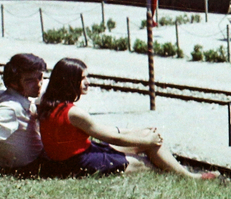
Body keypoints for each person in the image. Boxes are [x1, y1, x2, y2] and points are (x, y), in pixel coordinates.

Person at [36, 57, 212, 178]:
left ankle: (184, 172)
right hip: (81, 163)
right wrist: (149, 142)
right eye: (83, 79)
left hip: (75, 158)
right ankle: (188, 177)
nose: (88, 82)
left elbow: (106, 130)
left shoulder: (47, 103)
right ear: (69, 82)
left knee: (145, 136)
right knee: (146, 163)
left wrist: (140, 133)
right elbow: (113, 137)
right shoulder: (73, 113)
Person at [0, 53, 47, 183]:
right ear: (14, 83)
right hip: (31, 166)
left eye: (40, 78)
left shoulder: (8, 95)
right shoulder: (10, 108)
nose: (39, 84)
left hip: (30, 160)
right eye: (30, 81)